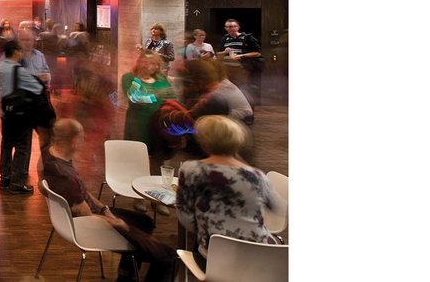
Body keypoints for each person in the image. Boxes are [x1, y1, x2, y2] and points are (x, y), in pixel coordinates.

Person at [42, 119, 176, 282]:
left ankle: (126, 275)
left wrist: (105, 208)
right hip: (87, 226)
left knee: (145, 221)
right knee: (167, 257)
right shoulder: (64, 177)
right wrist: (116, 222)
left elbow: (83, 193)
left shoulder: (51, 156)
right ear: (73, 140)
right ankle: (137, 267)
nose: (84, 141)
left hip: (86, 217)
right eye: (81, 137)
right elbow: (87, 215)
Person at [176, 115, 284, 269]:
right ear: (237, 142)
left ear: (205, 142)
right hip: (263, 259)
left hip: (215, 257)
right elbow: (277, 207)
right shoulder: (257, 175)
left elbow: (186, 219)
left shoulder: (190, 170)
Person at [120, 53, 176, 212]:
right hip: (138, 125)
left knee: (158, 162)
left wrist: (155, 97)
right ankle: (139, 197)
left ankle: (158, 198)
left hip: (158, 126)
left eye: (153, 64)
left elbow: (172, 98)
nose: (148, 66)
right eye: (145, 62)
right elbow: (134, 98)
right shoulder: (129, 78)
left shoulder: (161, 80)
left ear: (157, 66)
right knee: (139, 161)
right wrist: (155, 96)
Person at [0, 39, 45, 195]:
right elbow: (37, 87)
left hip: (5, 113)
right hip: (21, 114)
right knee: (23, 148)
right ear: (16, 52)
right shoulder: (18, 70)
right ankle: (17, 183)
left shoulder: (0, 66)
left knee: (6, 145)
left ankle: (5, 179)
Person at [219, 18, 264, 105]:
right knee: (228, 89)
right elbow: (218, 53)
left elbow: (258, 53)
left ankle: (245, 107)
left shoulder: (247, 38)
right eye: (228, 27)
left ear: (238, 27)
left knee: (241, 89)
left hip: (242, 69)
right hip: (227, 69)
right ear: (225, 28)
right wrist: (224, 52)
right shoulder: (225, 38)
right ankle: (231, 106)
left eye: (233, 26)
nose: (231, 28)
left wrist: (241, 55)